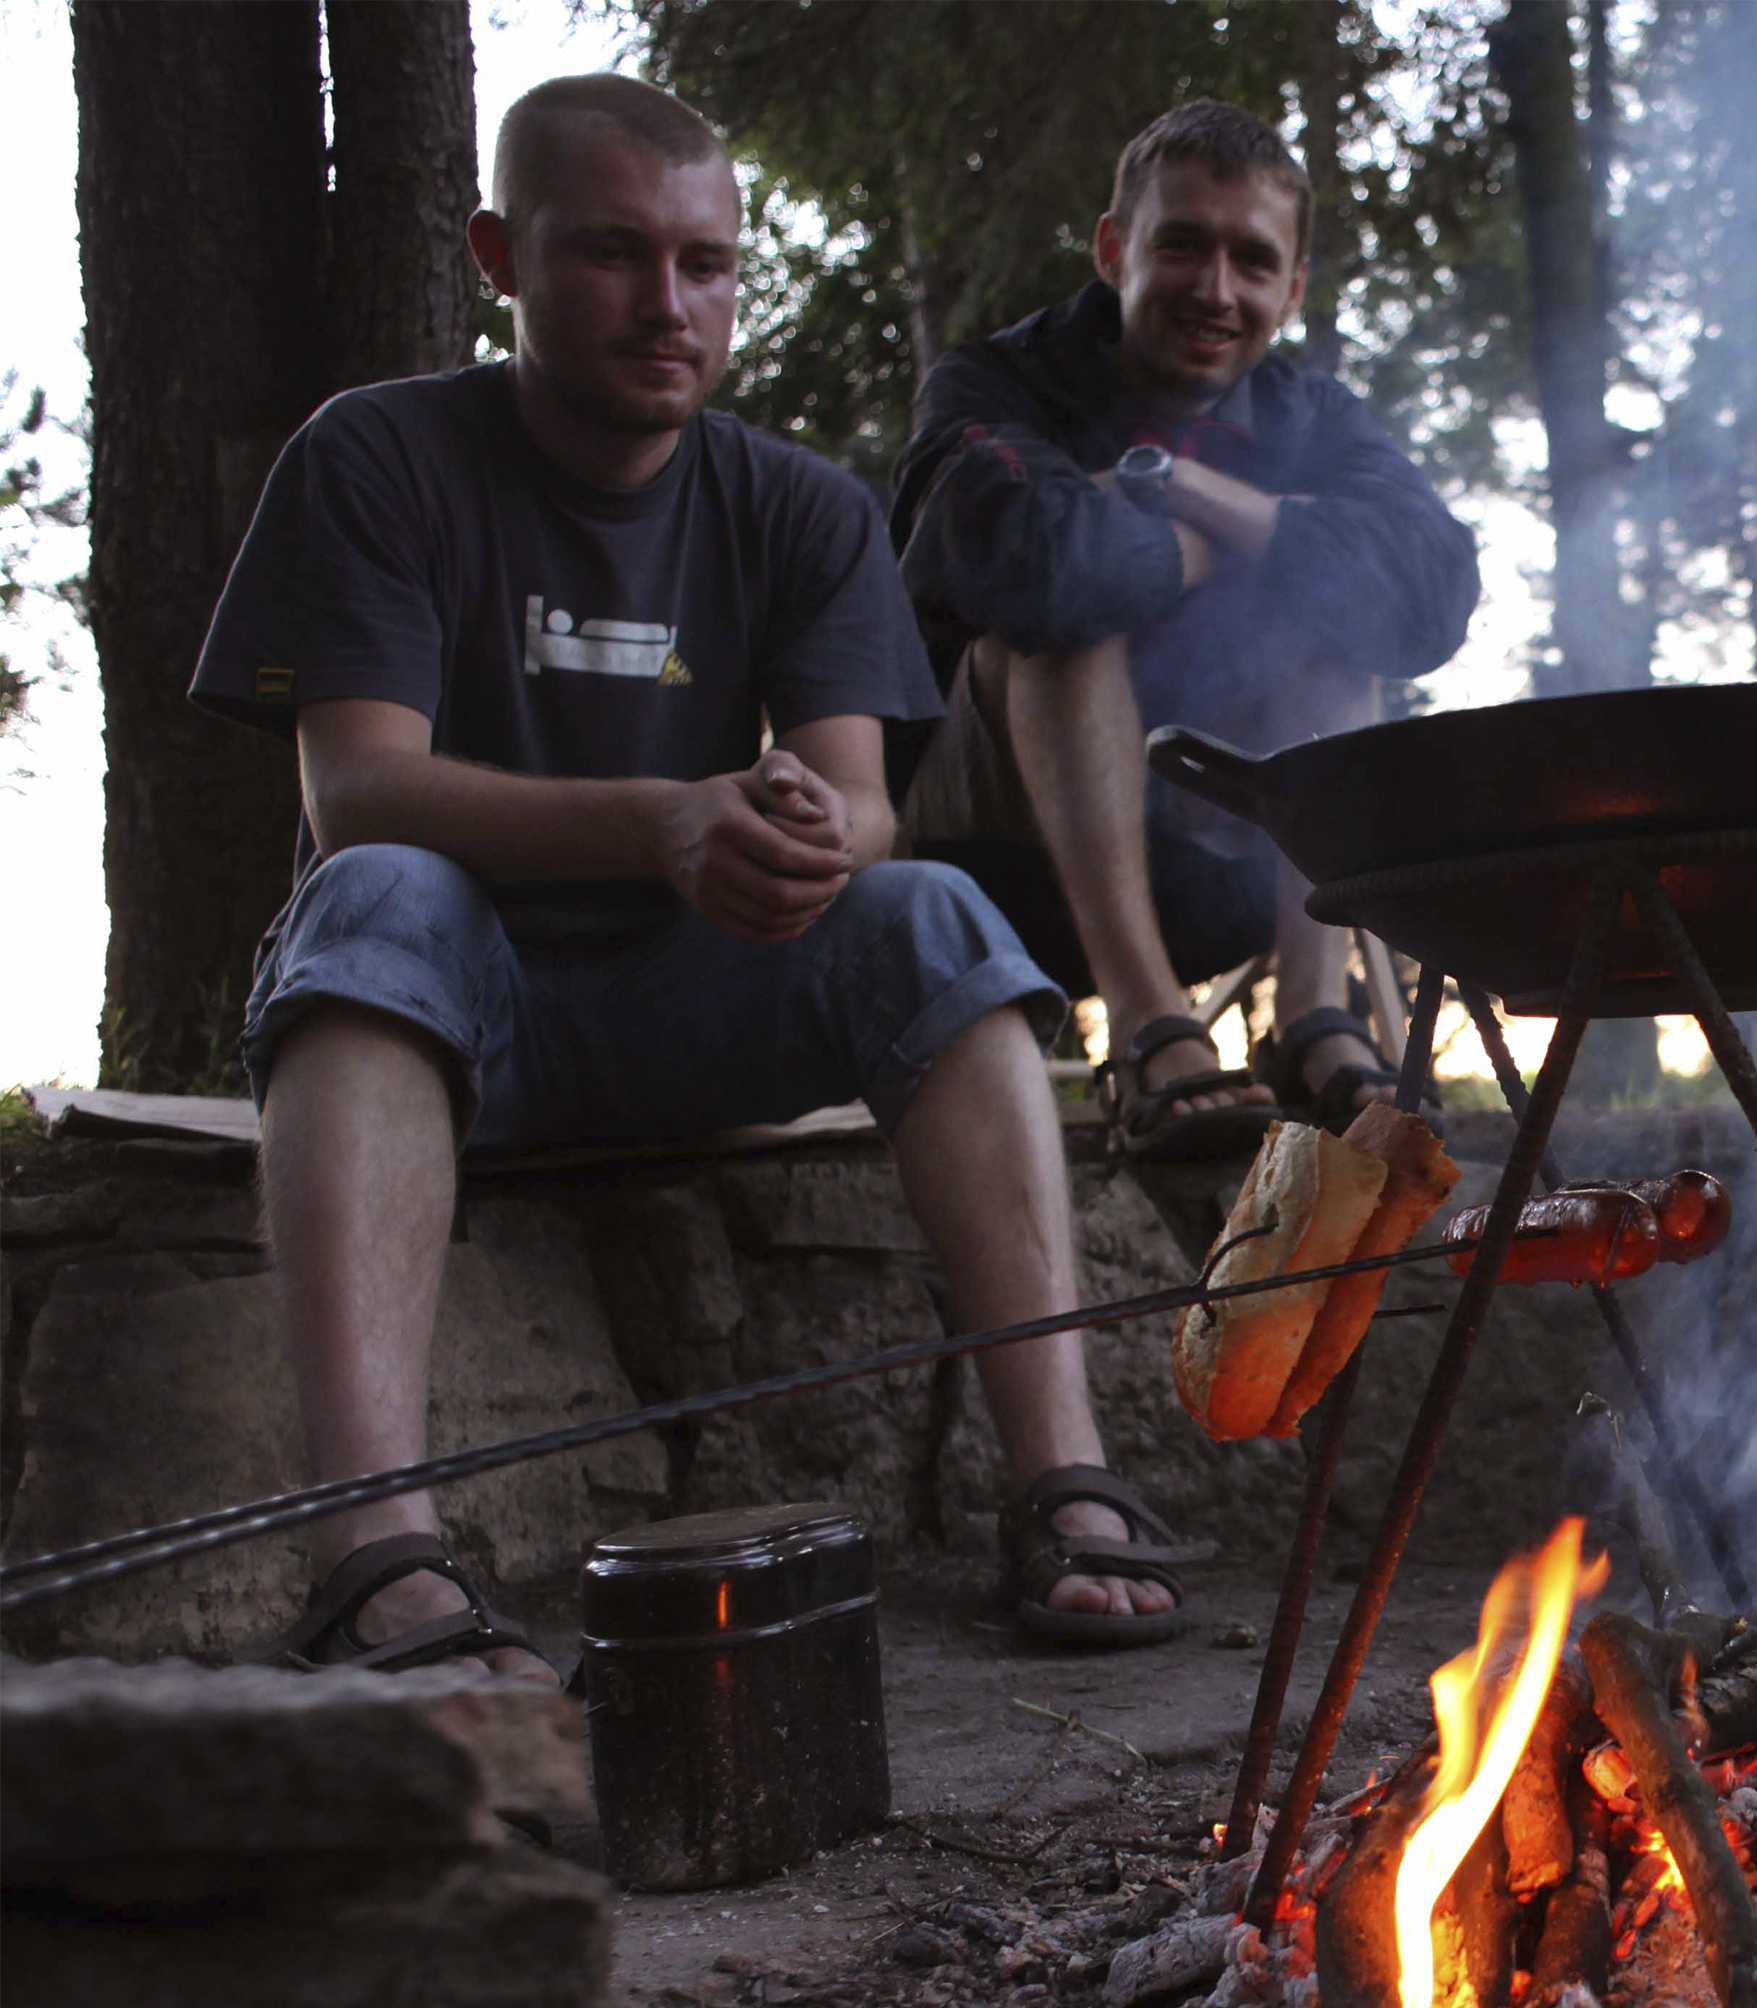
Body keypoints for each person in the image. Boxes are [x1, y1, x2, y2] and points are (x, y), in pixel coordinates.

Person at [193, 75, 1215, 1670]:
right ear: (500, 255)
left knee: (935, 912)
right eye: (613, 253)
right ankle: (375, 1556)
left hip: (696, 1000)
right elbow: (357, 789)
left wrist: (798, 830)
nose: (669, 305)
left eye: (706, 263)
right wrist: (664, 821)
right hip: (447, 1007)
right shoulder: (378, 454)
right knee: (378, 892)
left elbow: (865, 808)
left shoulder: (798, 503)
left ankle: (1065, 1485)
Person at [890, 101, 1478, 1153]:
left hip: (1217, 860)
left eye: (1252, 261)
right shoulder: (996, 382)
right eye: (1181, 246)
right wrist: (1265, 539)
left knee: (1338, 631)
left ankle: (1314, 1013)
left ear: (1292, 289)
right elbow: (1046, 572)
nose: (1215, 289)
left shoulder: (1313, 416)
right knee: (1072, 630)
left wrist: (1187, 494)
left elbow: (1428, 596)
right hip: (987, 850)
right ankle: (1149, 1031)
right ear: (1114, 249)